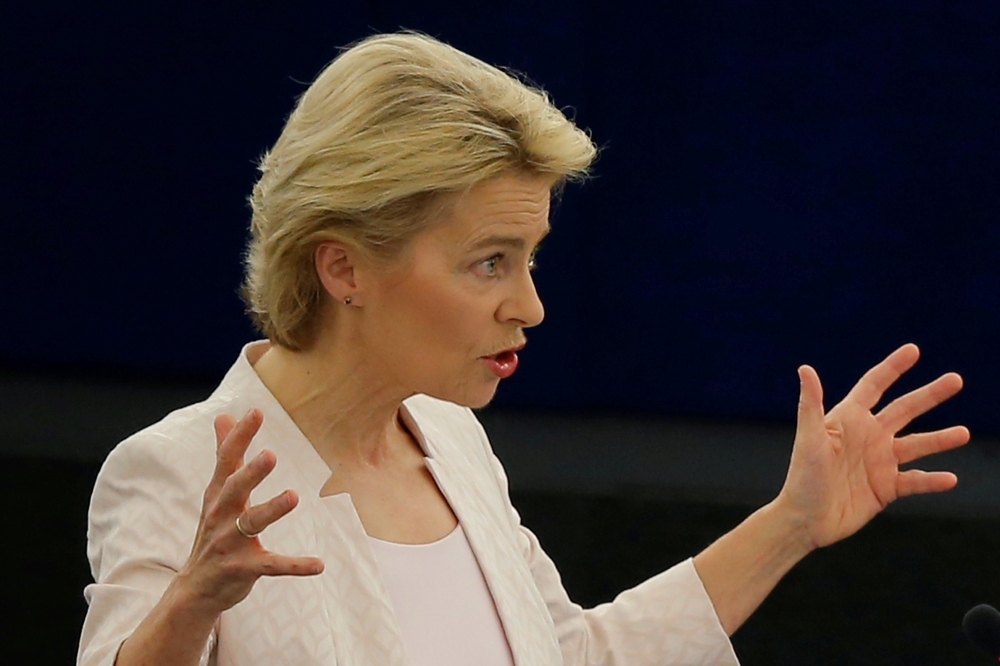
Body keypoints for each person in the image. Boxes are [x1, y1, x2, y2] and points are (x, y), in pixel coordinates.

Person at [77, 32, 970, 666]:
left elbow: (573, 656)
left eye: (531, 257)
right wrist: (190, 607)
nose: (531, 307)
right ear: (344, 265)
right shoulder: (176, 470)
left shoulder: (452, 441)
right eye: (489, 263)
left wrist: (792, 526)